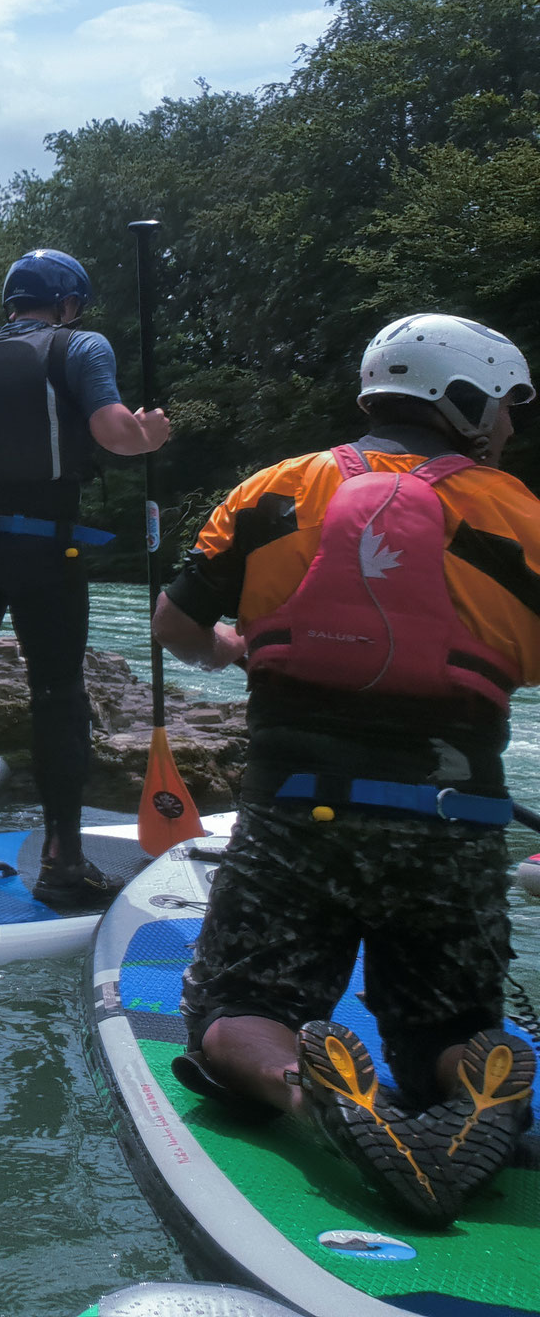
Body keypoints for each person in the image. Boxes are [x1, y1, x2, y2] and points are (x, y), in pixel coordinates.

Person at [154, 312, 539, 1228]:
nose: (512, 428)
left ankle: (303, 1090)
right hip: (457, 816)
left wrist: (238, 648)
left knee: (234, 1008)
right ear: (464, 403)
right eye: (506, 408)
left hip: (296, 810)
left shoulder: (273, 490)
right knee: (446, 1023)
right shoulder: (519, 513)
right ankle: (475, 1085)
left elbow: (175, 628)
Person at [0, 249, 169, 905]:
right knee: (57, 698)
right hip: (47, 551)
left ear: (13, 301)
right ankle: (62, 861)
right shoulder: (82, 346)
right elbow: (113, 434)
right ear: (68, 302)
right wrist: (151, 435)